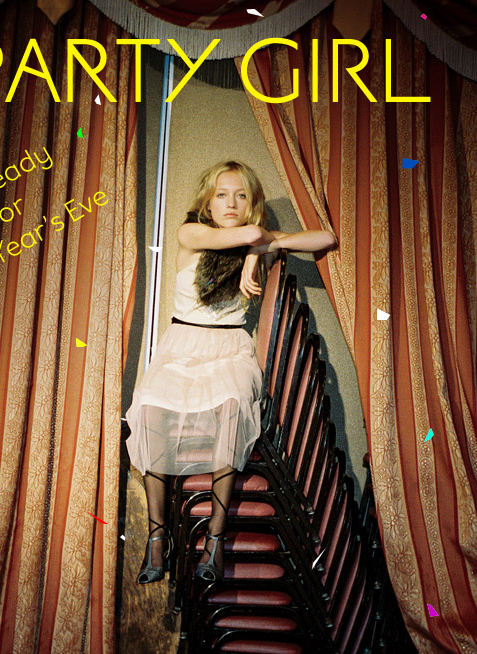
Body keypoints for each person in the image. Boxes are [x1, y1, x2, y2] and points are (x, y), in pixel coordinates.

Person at [125, 160, 336, 585]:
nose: (231, 203)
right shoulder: (191, 233)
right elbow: (252, 234)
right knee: (146, 408)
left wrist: (257, 252)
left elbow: (326, 238)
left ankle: (215, 539)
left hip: (229, 348)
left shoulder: (253, 239)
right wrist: (257, 248)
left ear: (252, 202)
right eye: (222, 195)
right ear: (207, 202)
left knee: (233, 405)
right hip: (181, 345)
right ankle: (157, 536)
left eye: (241, 195)